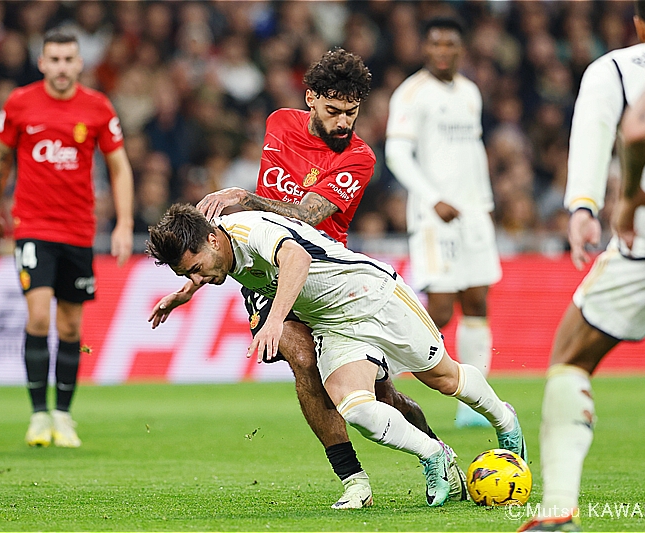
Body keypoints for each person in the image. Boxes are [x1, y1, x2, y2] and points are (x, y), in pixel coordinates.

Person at [150, 48, 437, 510]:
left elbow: (305, 218)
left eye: (352, 112)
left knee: (380, 395)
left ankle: (436, 453)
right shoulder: (278, 123)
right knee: (302, 357)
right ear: (310, 99)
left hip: (328, 276)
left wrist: (247, 198)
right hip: (267, 273)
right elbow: (222, 248)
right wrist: (190, 286)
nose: (344, 123)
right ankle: (354, 482)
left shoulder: (360, 157)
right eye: (333, 111)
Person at [146, 204, 527, 508]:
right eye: (189, 273)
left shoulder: (251, 230)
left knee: (444, 379)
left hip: (373, 296)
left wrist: (275, 320)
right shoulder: (213, 249)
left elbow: (296, 259)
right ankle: (434, 455)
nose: (200, 277)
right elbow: (206, 271)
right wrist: (184, 294)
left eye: (197, 270)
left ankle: (504, 420)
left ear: (212, 240)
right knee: (356, 407)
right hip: (335, 326)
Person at [520, 1, 645, 530]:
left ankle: (559, 507)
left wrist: (585, 207)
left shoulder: (616, 66)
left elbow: (598, 136)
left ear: (638, 24)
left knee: (571, 356)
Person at [0, 30, 134, 448]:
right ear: (42, 63)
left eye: (69, 59)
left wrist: (123, 223)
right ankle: (37, 416)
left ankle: (63, 416)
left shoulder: (97, 107)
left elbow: (119, 167)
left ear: (80, 63)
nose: (63, 67)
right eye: (55, 59)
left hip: (78, 230)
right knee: (37, 317)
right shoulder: (19, 104)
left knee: (70, 325)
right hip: (31, 225)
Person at [385, 17, 501, 429]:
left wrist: (484, 203)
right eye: (435, 44)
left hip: (473, 214)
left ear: (460, 48)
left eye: (450, 44)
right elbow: (397, 154)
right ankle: (382, 368)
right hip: (435, 217)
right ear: (425, 48)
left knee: (477, 303)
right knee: (441, 308)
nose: (442, 51)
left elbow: (473, 152)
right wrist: (434, 198)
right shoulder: (412, 94)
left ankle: (474, 403)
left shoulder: (470, 92)